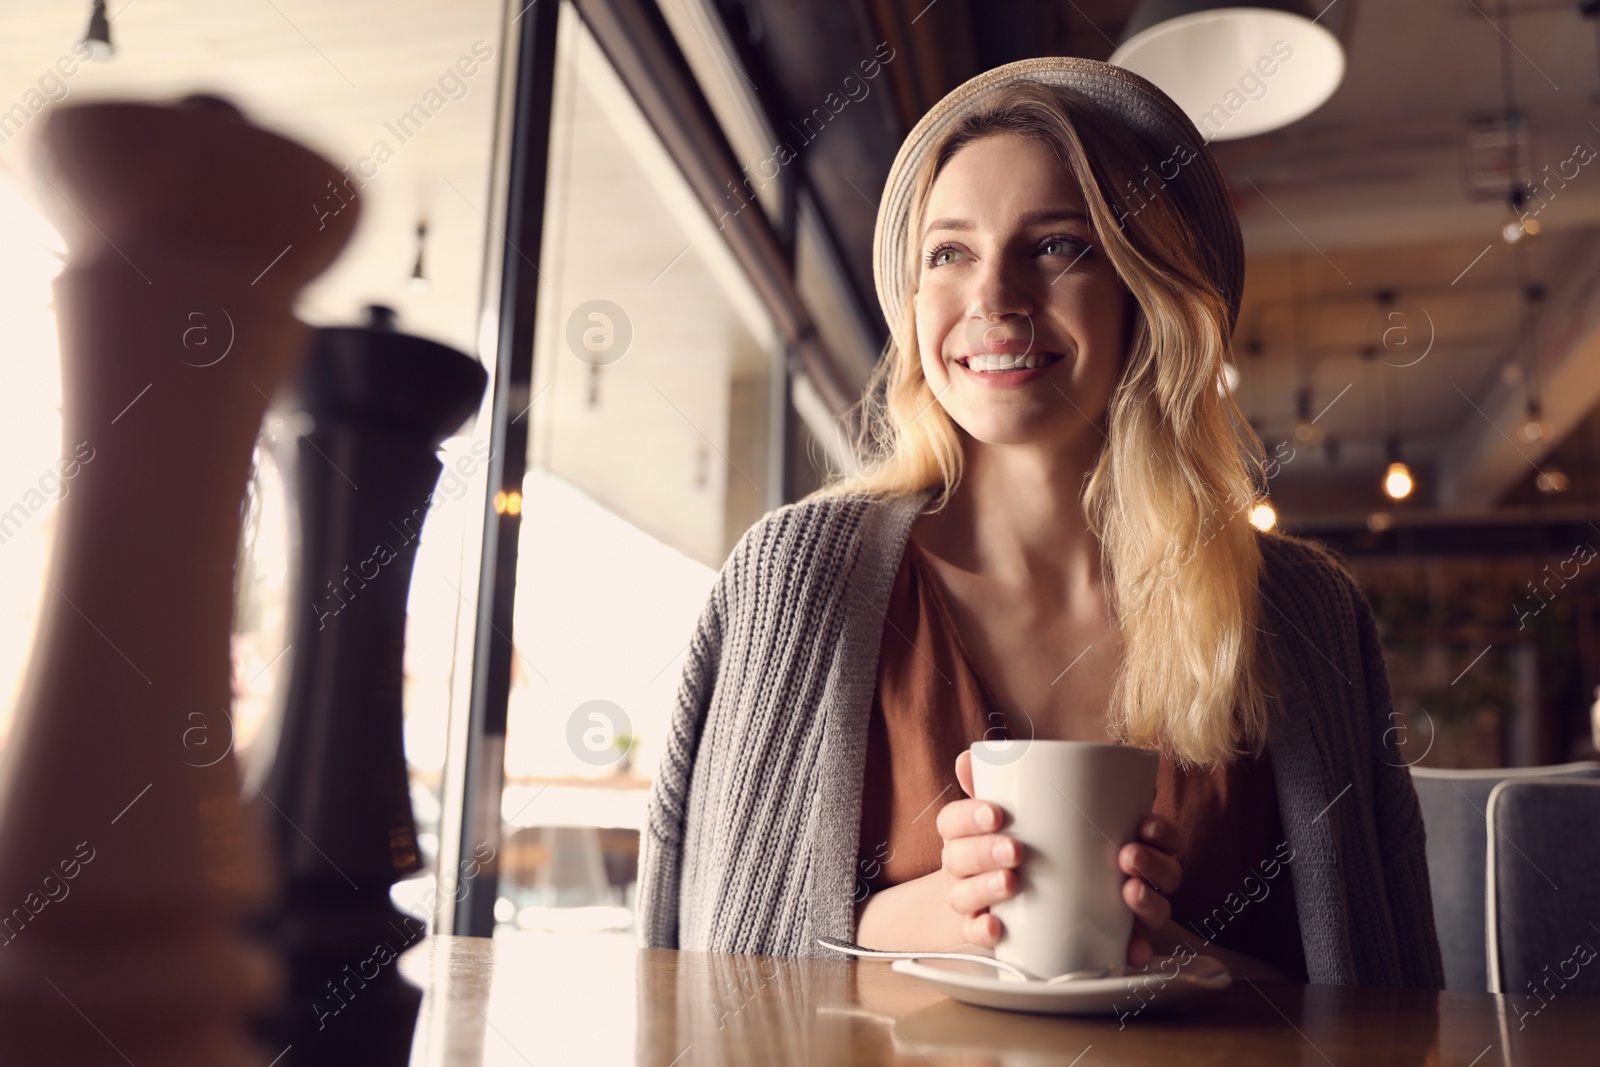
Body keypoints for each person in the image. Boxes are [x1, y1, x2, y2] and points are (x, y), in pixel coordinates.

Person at [636, 57, 1444, 989]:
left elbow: (1390, 1004)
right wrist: (931, 916)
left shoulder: (1304, 611)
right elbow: (707, 975)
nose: (993, 299)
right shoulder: (798, 576)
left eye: (1057, 246)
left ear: (1145, 290)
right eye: (950, 252)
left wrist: (1175, 960)